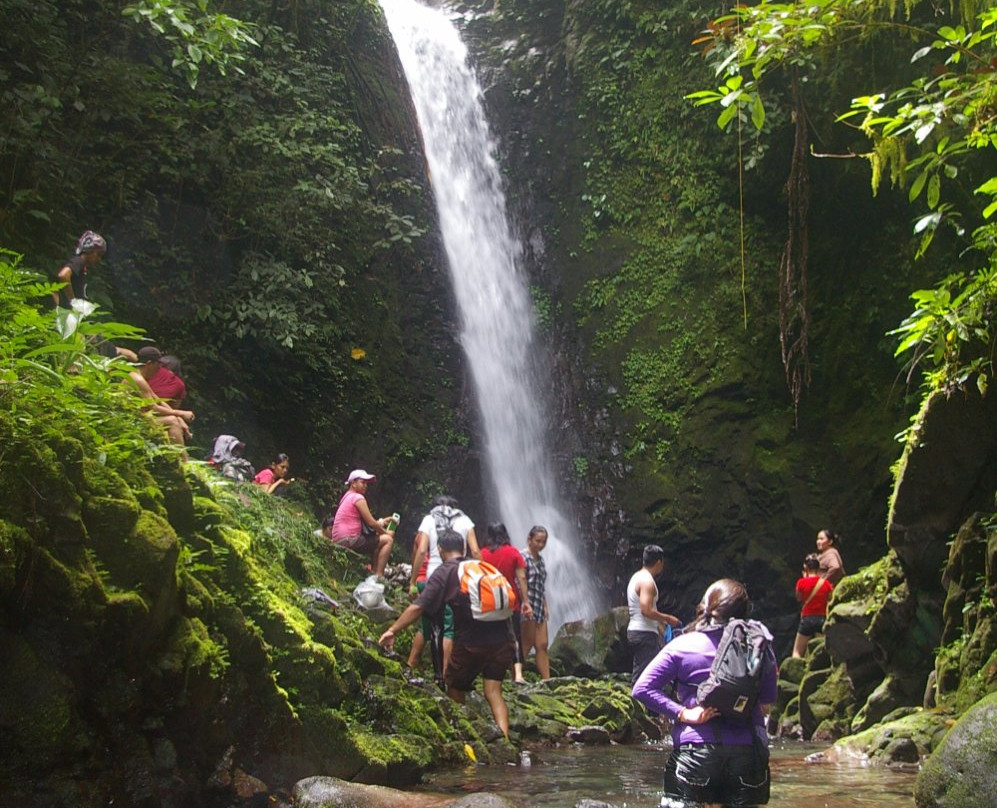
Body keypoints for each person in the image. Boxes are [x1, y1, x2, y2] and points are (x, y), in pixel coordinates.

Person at [632, 578, 777, 808]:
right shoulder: (759, 647)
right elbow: (767, 702)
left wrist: (681, 713)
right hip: (748, 756)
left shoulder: (683, 645)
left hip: (696, 753)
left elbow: (642, 688)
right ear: (744, 612)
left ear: (706, 607)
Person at [379, 529, 515, 740]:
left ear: (440, 550)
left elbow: (419, 607)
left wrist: (392, 630)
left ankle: (464, 737)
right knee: (494, 692)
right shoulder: (481, 567)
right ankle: (505, 742)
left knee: (454, 685)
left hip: (471, 643)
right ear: (463, 549)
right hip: (503, 639)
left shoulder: (445, 572)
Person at [406, 495, 481, 675]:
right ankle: (447, 673)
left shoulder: (429, 519)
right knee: (449, 629)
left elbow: (422, 550)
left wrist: (413, 581)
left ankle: (411, 663)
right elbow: (476, 551)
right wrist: (481, 577)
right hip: (457, 579)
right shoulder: (465, 520)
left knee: (425, 625)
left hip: (432, 577)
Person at [482, 522, 533, 683]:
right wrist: (526, 601)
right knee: (514, 637)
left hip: (488, 600)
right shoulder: (513, 553)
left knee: (488, 635)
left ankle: (489, 673)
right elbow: (522, 578)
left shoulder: (481, 554)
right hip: (509, 600)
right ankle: (517, 674)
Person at [627, 544, 682, 685]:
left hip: (637, 631)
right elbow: (645, 610)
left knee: (645, 670)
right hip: (643, 633)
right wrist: (667, 618)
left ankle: (643, 702)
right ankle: (640, 703)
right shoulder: (647, 582)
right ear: (658, 562)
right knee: (644, 678)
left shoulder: (636, 577)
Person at [325, 469, 395, 580]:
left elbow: (368, 523)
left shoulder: (346, 497)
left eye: (366, 483)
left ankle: (374, 572)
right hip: (349, 539)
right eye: (363, 482)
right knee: (388, 540)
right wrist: (387, 533)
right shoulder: (358, 497)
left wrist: (383, 521)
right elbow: (371, 523)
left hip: (340, 539)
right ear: (353, 483)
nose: (365, 486)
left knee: (378, 540)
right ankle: (379, 575)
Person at [127, 346, 195, 447]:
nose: (159, 370)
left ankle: (178, 458)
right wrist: (180, 413)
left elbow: (158, 401)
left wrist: (179, 418)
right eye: (157, 365)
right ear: (149, 364)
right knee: (171, 421)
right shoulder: (138, 380)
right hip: (131, 421)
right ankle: (183, 461)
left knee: (174, 419)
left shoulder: (141, 378)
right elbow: (154, 407)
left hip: (141, 418)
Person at [520, 525, 551, 680]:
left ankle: (547, 680)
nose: (540, 544)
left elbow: (541, 585)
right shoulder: (523, 557)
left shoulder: (541, 560)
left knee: (543, 645)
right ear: (530, 539)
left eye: (543, 542)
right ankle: (516, 675)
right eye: (538, 541)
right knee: (526, 643)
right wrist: (526, 603)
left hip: (539, 605)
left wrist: (545, 606)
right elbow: (520, 581)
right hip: (527, 605)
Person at [792, 553, 833, 658]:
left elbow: (798, 598)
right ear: (818, 567)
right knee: (821, 650)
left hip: (807, 619)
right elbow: (830, 598)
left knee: (797, 652)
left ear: (805, 567)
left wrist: (804, 578)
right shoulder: (826, 583)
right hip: (822, 619)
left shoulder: (801, 582)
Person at [52, 230, 105, 308]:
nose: (99, 259)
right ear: (90, 249)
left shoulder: (82, 267)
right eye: (98, 254)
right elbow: (63, 275)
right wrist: (73, 302)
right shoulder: (79, 261)